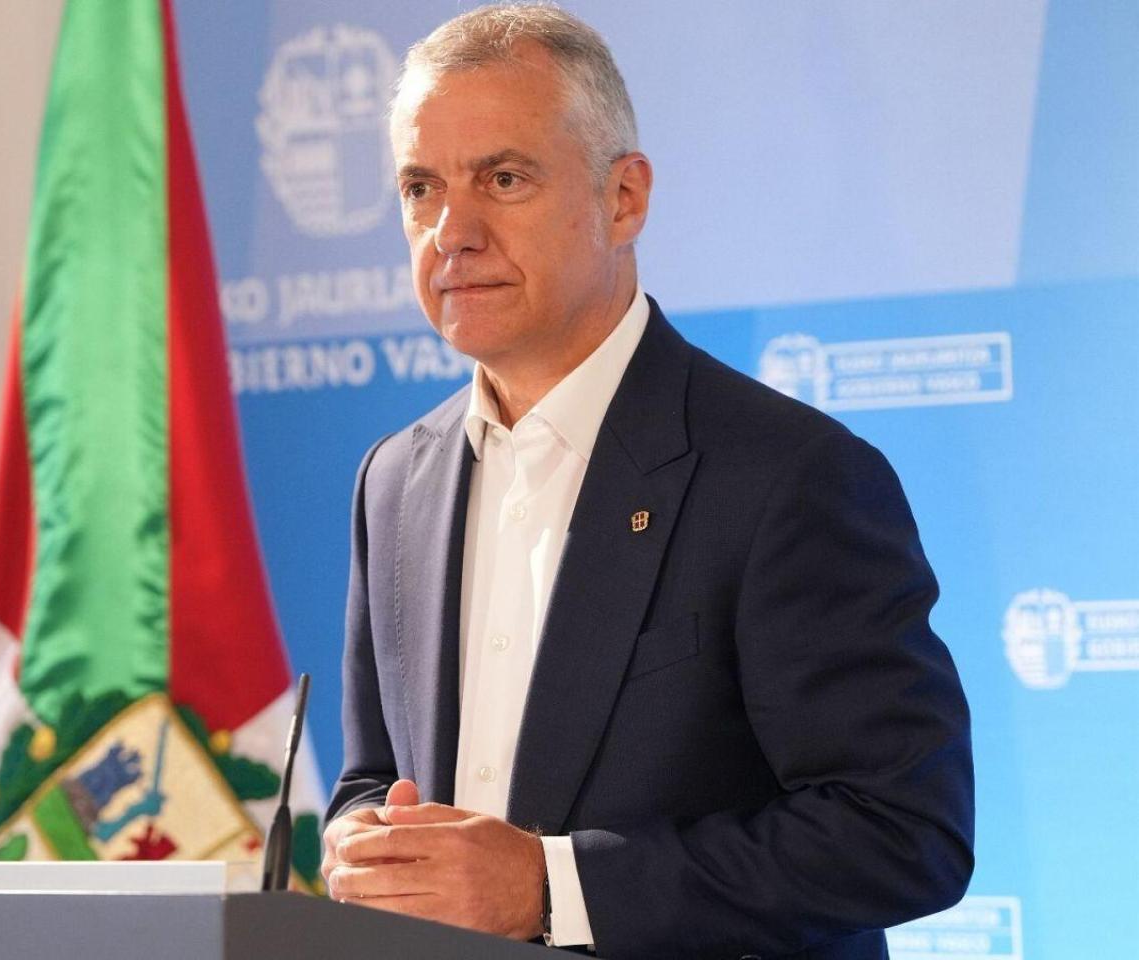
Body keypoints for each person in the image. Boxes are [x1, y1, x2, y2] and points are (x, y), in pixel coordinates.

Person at [320, 5, 974, 957]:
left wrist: (550, 889)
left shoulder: (790, 476)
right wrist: (362, 842)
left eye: (504, 179)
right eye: (422, 188)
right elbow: (374, 777)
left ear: (623, 198)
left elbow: (903, 830)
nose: (452, 233)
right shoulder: (394, 482)